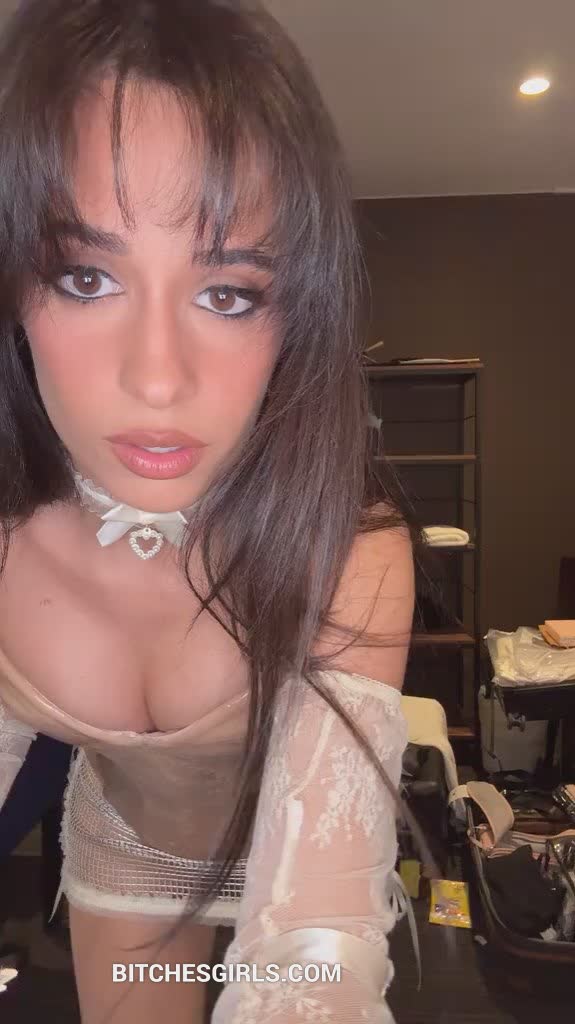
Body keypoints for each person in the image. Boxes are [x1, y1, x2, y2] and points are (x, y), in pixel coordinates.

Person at [0, 1, 420, 1021]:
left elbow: (312, 950)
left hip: (315, 863)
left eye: (227, 293)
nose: (157, 379)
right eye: (86, 276)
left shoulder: (347, 550)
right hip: (126, 859)